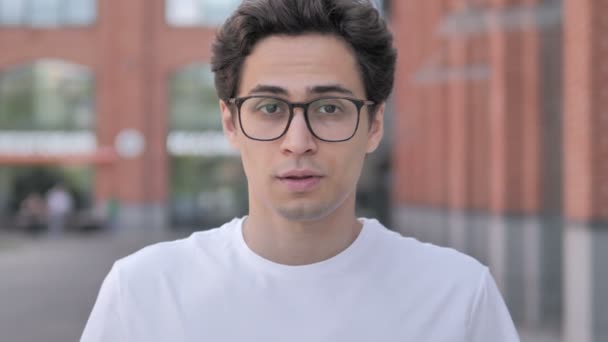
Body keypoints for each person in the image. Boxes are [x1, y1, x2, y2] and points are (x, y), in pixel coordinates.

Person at [81, 0, 519, 341]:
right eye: (270, 108)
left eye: (329, 108)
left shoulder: (457, 296)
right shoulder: (144, 292)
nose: (298, 141)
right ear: (231, 123)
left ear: (374, 125)